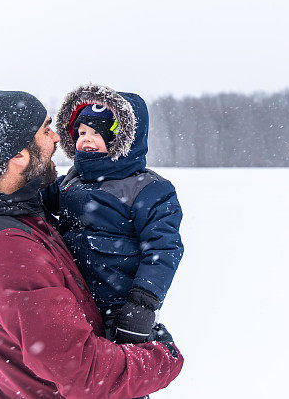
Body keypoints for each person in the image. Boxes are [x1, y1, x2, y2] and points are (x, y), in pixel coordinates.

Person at [0, 90, 183, 399]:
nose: (59, 138)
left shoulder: (22, 216)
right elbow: (86, 375)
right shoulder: (6, 249)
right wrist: (162, 358)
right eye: (46, 129)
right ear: (20, 156)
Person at [43, 84, 184, 348]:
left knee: (121, 377)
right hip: (72, 300)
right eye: (81, 131)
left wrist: (142, 305)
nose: (86, 138)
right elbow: (42, 202)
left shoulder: (148, 189)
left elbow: (163, 249)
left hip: (118, 307)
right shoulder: (72, 181)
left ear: (123, 140)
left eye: (97, 133)